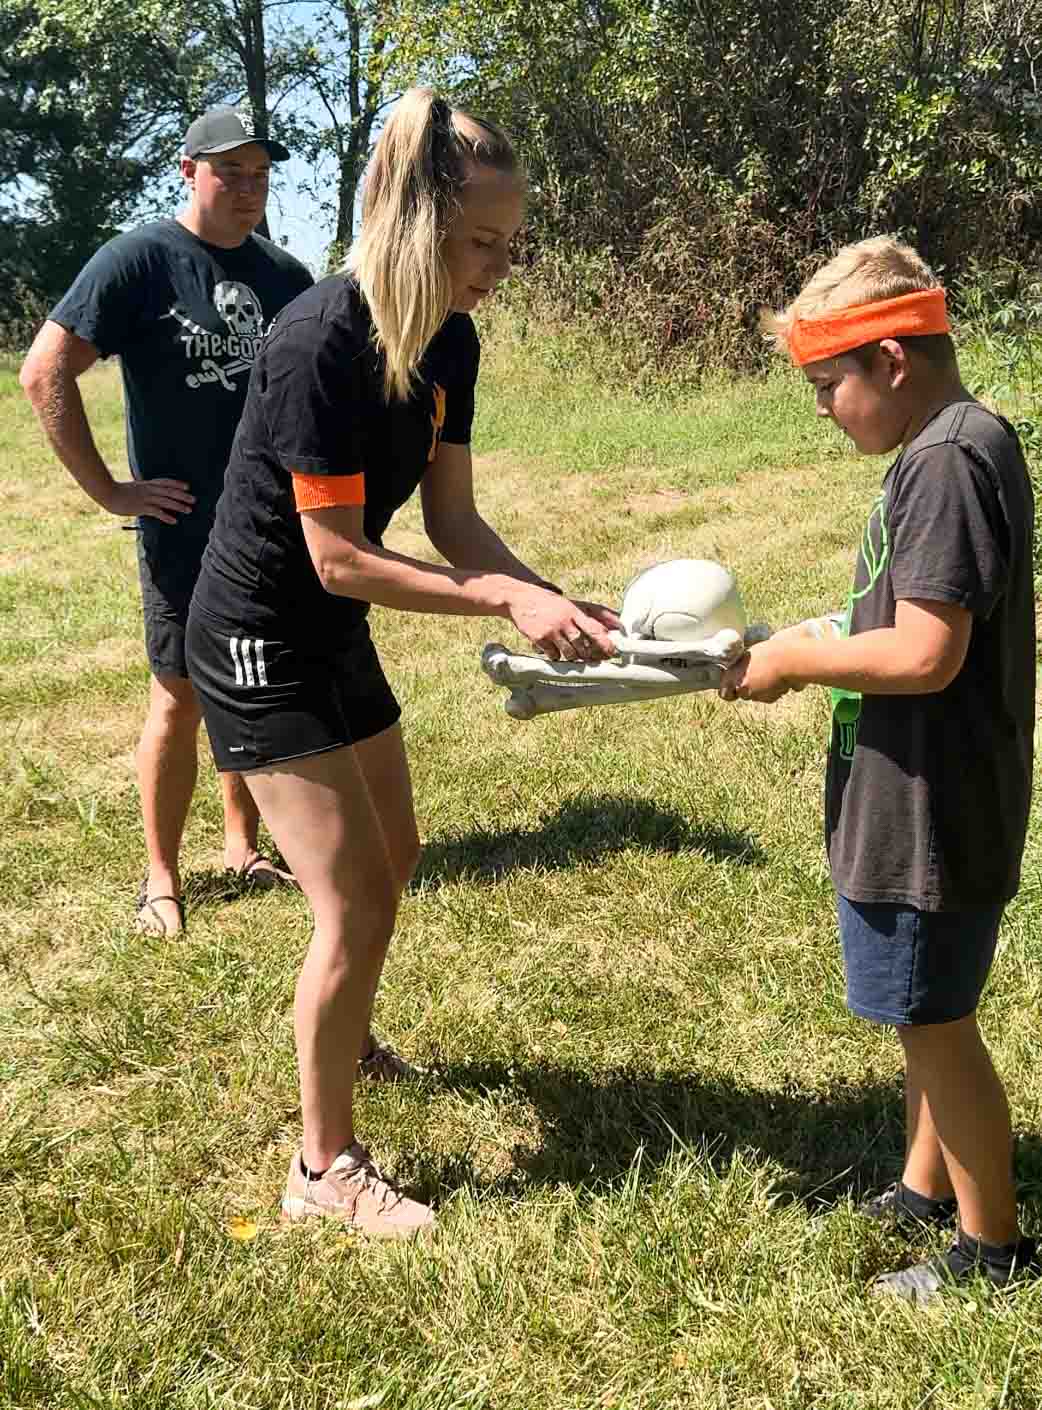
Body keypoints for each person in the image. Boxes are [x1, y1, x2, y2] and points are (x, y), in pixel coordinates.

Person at [185, 88, 620, 1238]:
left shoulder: (451, 341)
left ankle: (347, 1037)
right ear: (413, 222)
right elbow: (337, 558)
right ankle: (320, 1169)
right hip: (255, 638)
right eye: (482, 242)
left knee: (399, 853)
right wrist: (501, 599)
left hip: (327, 630)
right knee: (354, 896)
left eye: (508, 244)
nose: (497, 266)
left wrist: (548, 590)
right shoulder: (318, 340)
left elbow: (456, 526)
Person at [720, 236, 1037, 1305]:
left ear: (892, 361)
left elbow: (923, 651)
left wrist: (796, 663)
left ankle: (990, 1246)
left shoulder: (946, 459)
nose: (820, 409)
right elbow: (898, 617)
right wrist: (800, 630)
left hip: (930, 809)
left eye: (826, 386)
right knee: (920, 1006)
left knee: (936, 1024)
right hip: (919, 794)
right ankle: (920, 1184)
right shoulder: (949, 444)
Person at [19, 108, 315, 936]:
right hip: (184, 528)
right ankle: (160, 877)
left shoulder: (286, 276)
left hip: (269, 524)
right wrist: (112, 492)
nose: (249, 188)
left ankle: (242, 845)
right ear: (188, 171)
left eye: (262, 175)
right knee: (181, 695)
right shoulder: (140, 261)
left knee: (250, 686)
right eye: (231, 173)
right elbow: (44, 372)